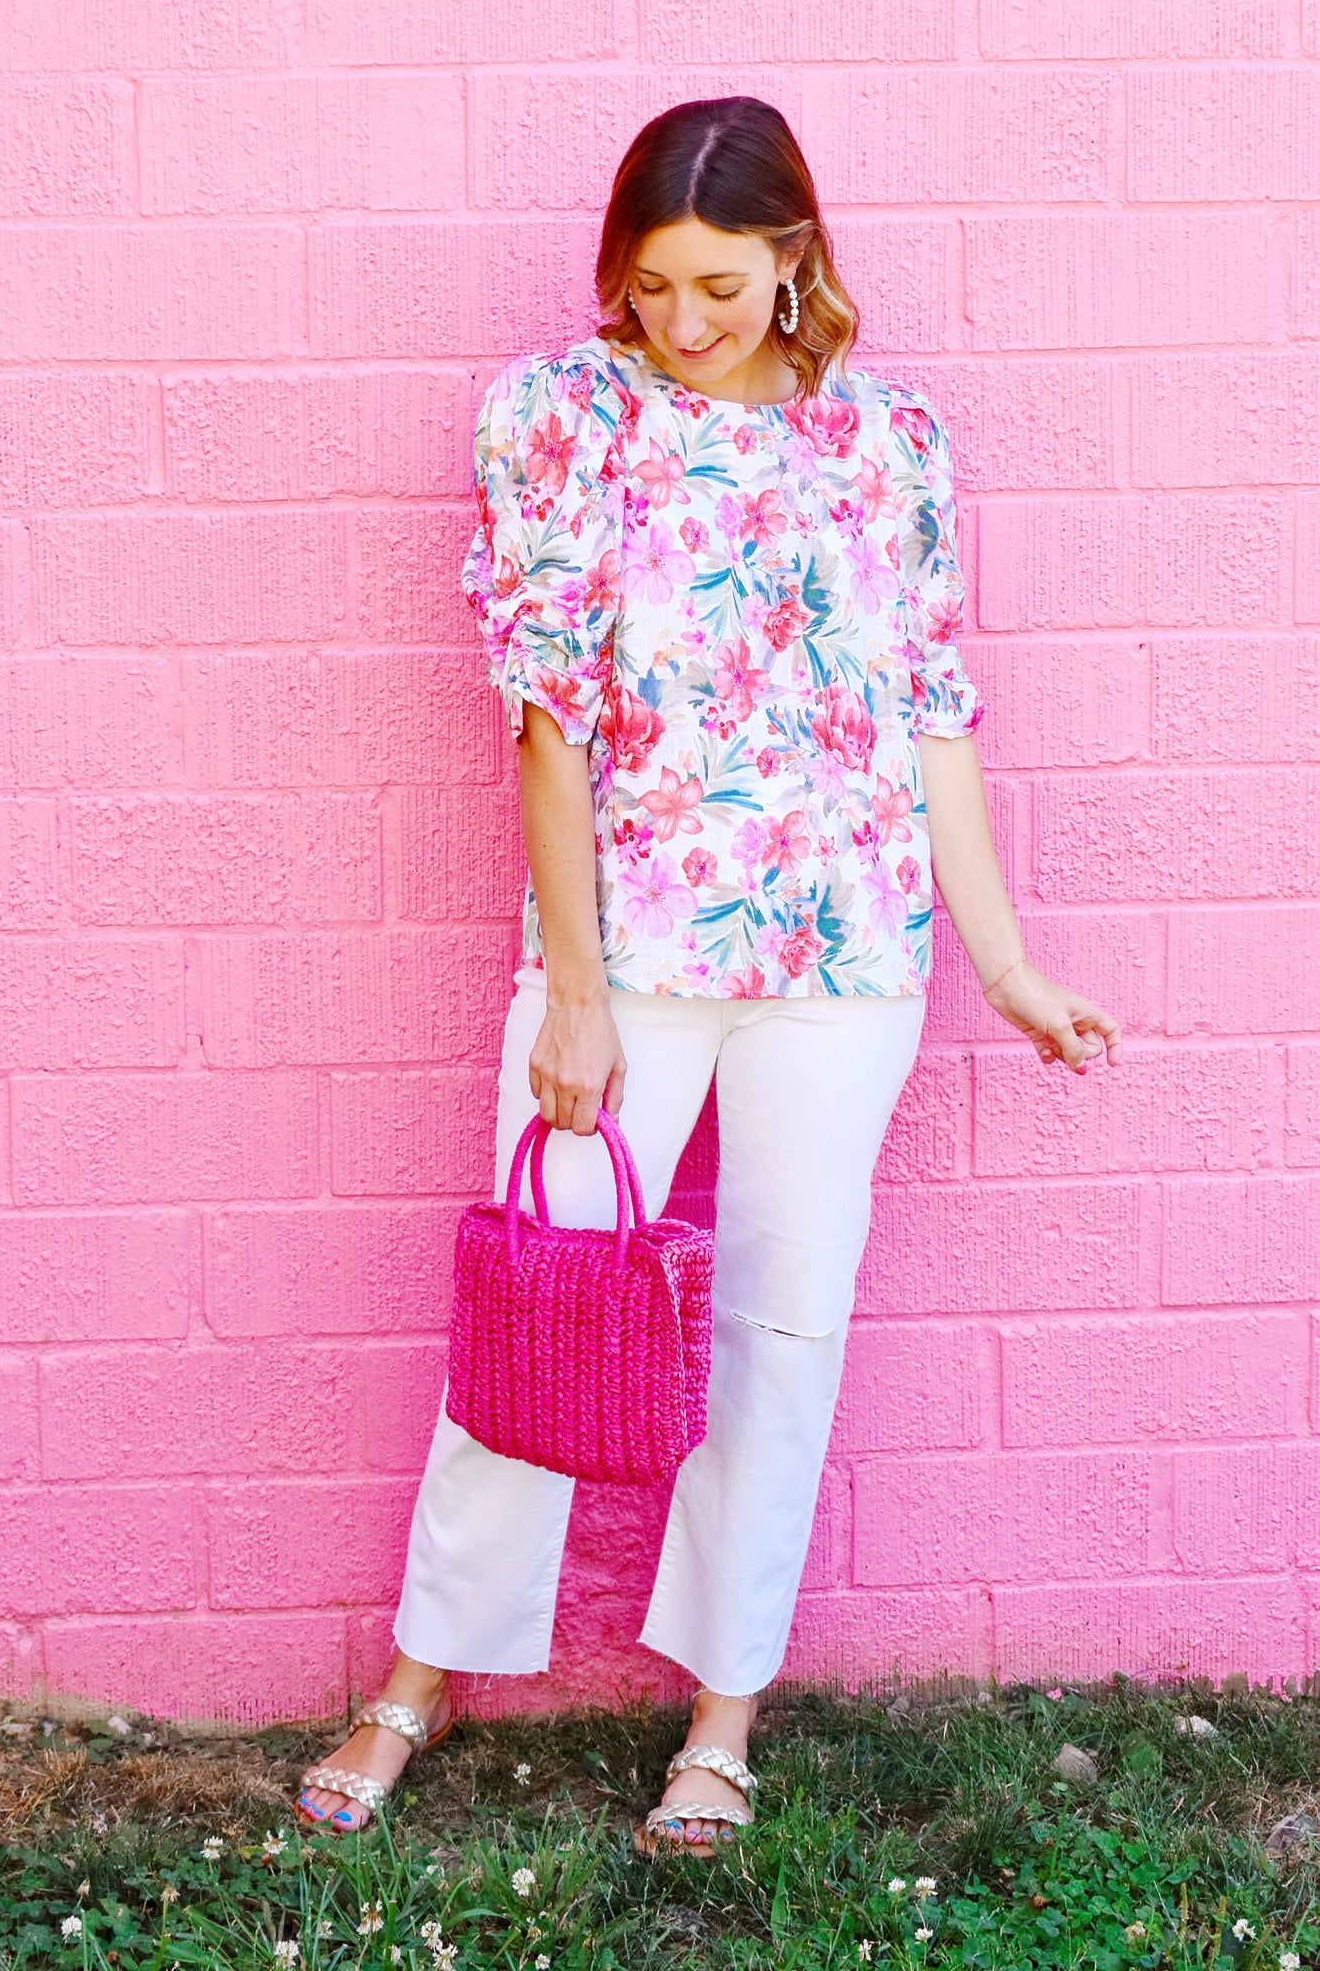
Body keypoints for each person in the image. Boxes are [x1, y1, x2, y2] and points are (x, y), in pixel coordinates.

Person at [295, 95, 1123, 1855]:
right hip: (632, 953)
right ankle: (417, 1684)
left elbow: (927, 715)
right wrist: (575, 990)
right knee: (544, 1298)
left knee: (779, 1332)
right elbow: (548, 717)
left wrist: (1006, 961)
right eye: (656, 284)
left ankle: (720, 1722)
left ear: (792, 262)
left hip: (844, 962)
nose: (684, 321)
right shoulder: (562, 415)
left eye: (721, 287)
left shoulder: (888, 440)